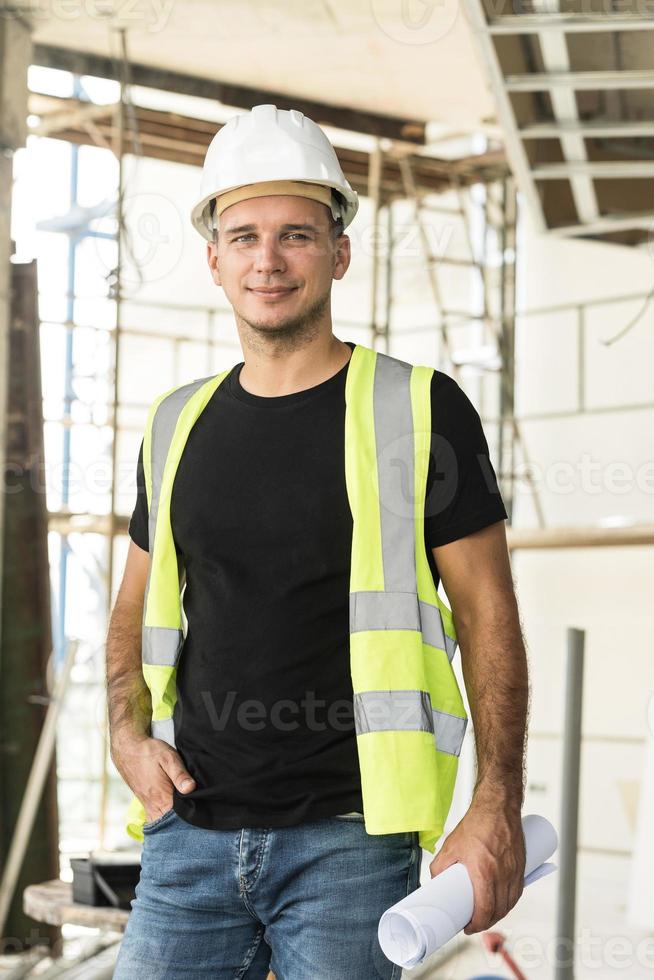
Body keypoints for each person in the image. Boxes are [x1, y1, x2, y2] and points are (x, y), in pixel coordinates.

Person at [107, 104, 529, 980]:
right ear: (214, 260)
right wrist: (125, 734)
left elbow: (489, 609)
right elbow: (132, 605)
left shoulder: (421, 408)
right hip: (186, 836)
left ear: (338, 252)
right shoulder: (174, 422)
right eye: (245, 236)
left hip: (350, 844)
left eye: (296, 235)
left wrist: (497, 802)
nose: (268, 260)